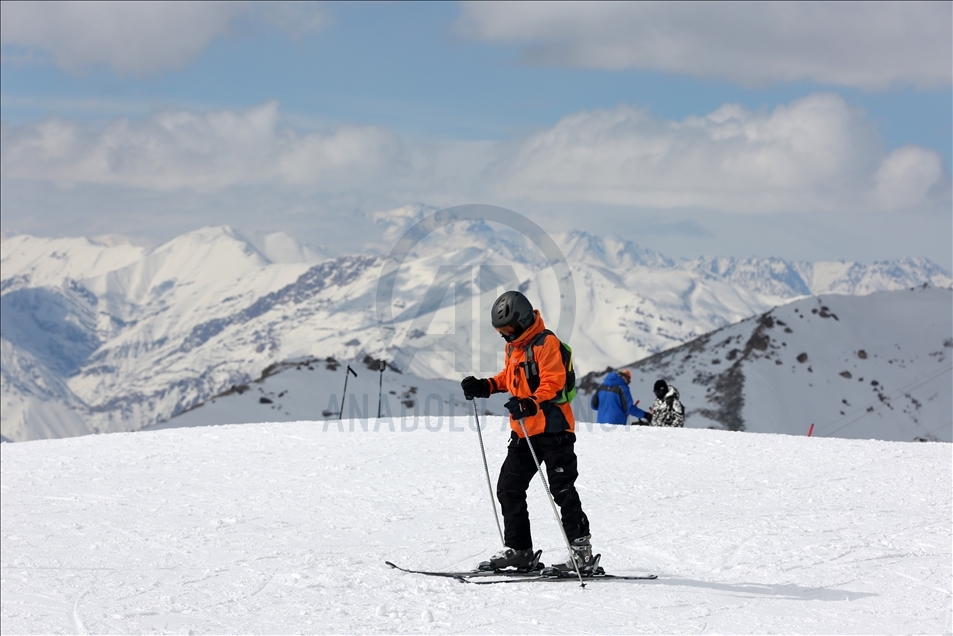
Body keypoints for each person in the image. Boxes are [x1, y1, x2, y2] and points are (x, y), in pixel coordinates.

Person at [461, 290, 595, 574]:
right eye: (501, 331)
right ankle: (520, 551)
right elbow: (509, 378)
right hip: (523, 432)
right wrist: (485, 385)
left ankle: (582, 554)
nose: (505, 335)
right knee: (509, 488)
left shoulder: (547, 343)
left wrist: (530, 403)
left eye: (509, 328)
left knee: (562, 490)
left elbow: (553, 383)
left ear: (522, 320)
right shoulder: (514, 347)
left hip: (554, 430)